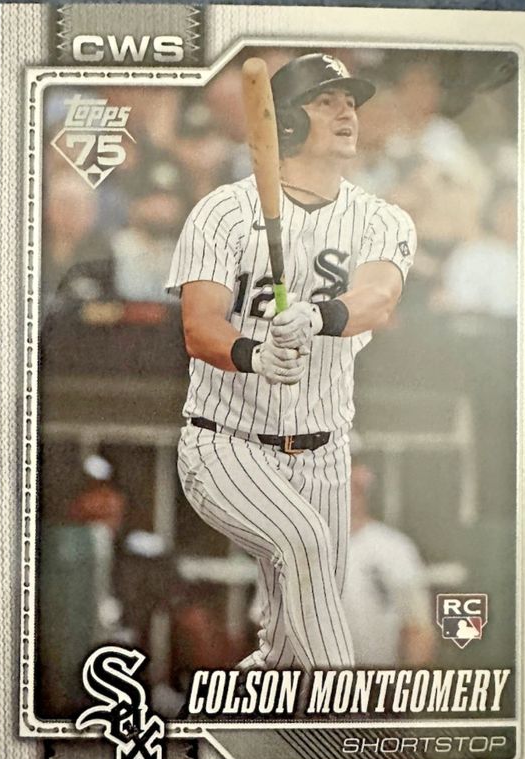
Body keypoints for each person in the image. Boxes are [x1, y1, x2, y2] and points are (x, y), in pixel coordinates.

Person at [166, 53, 416, 672]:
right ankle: (343, 708)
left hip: (325, 453)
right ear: (285, 122)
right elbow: (199, 326)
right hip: (227, 444)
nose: (346, 112)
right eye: (326, 101)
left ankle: (258, 705)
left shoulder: (380, 217)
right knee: (302, 543)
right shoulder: (223, 211)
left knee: (286, 648)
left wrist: (317, 316)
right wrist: (254, 354)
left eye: (350, 101)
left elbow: (379, 298)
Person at [343, 458, 435, 666]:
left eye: (354, 467)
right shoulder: (297, 546)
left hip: (376, 678)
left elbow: (417, 629)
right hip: (307, 682)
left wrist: (411, 683)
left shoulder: (395, 548)